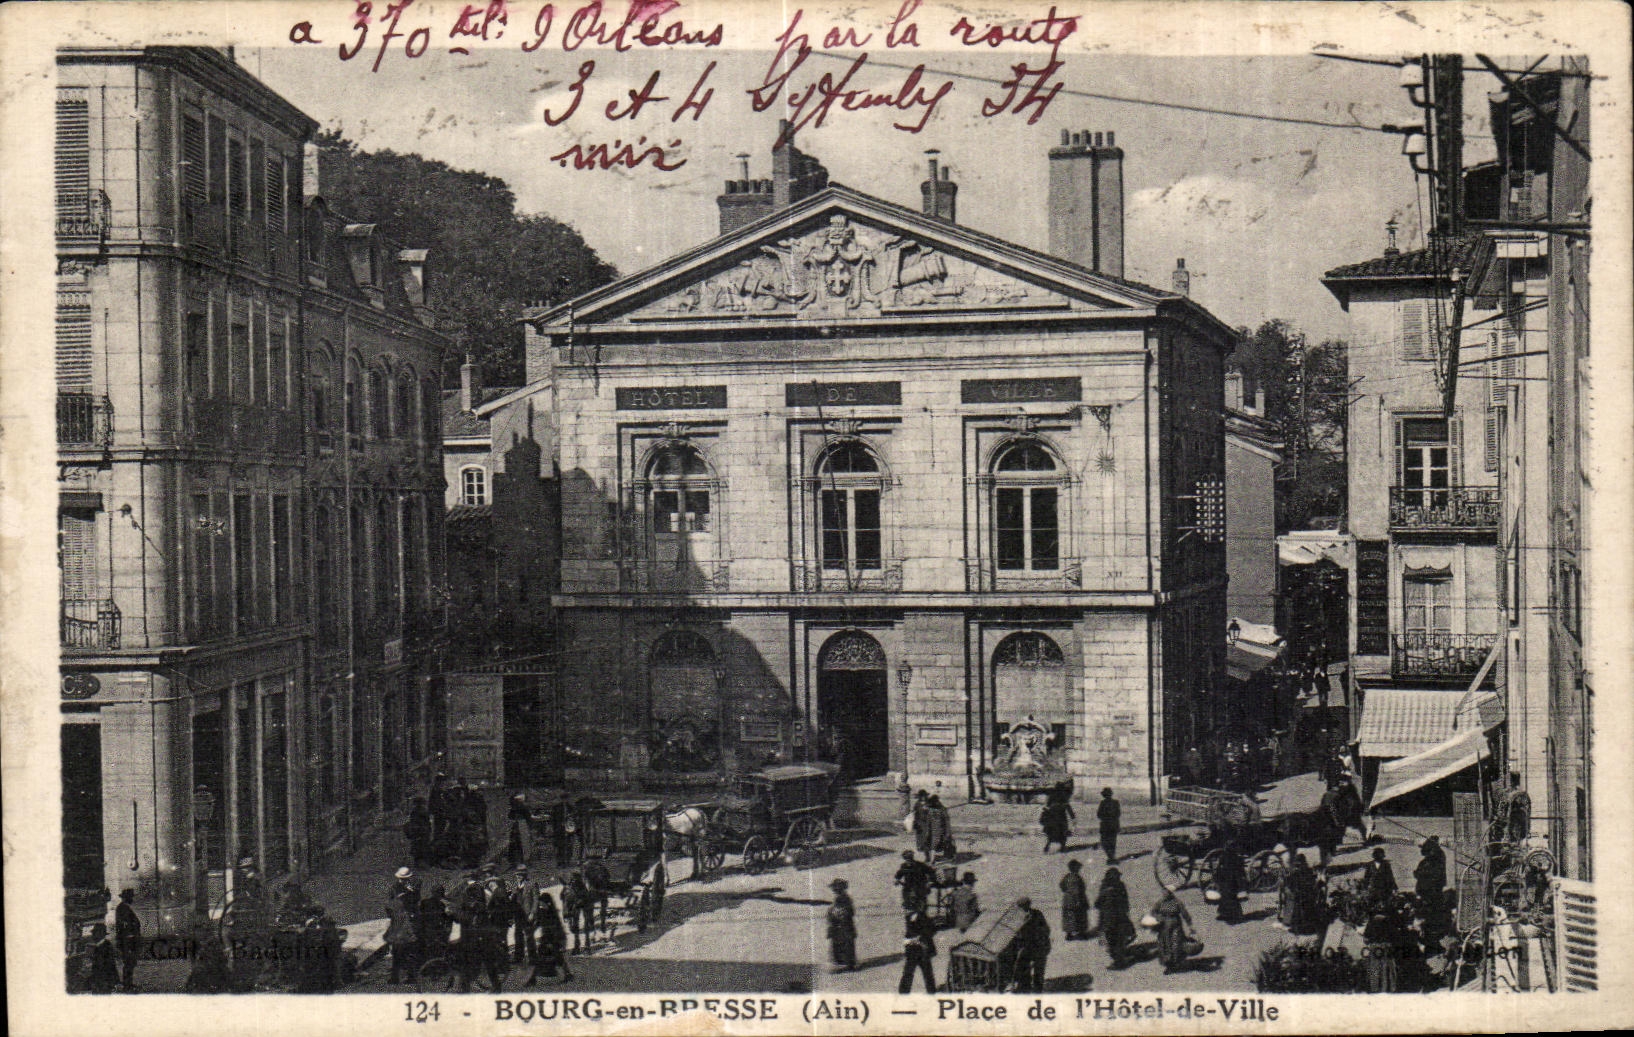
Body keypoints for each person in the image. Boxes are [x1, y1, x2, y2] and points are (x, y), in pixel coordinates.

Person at [527, 889, 574, 984]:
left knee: (557, 957)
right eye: (540, 904)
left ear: (548, 903)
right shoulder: (542, 912)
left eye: (542, 904)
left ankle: (567, 975)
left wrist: (556, 942)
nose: (541, 906)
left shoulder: (553, 915)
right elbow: (537, 923)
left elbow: (557, 930)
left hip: (556, 938)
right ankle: (533, 979)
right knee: (542, 957)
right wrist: (531, 930)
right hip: (547, 938)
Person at [385, 867, 422, 985]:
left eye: (405, 879)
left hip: (401, 925)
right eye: (402, 879)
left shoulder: (410, 889)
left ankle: (407, 976)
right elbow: (390, 906)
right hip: (403, 924)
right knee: (400, 951)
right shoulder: (398, 889)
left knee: (405, 951)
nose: (404, 881)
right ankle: (398, 977)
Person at [1093, 867, 1135, 969]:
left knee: (1112, 940)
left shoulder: (1104, 888)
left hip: (1108, 919)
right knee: (1119, 938)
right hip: (1119, 917)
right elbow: (1125, 902)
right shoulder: (1120, 886)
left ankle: (1118, 962)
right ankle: (1120, 956)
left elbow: (1097, 904)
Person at [1152, 885, 1194, 974]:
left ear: (1170, 893)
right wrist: (1158, 918)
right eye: (1163, 891)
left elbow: (1185, 914)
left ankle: (1176, 963)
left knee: (1175, 944)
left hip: (1176, 926)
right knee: (1165, 945)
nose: (1164, 893)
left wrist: (1190, 925)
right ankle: (1169, 964)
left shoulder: (1177, 902)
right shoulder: (1160, 902)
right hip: (1164, 927)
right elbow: (1153, 912)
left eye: (1166, 892)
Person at [1013, 897, 1051, 993]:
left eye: (1025, 906)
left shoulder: (1037, 914)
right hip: (1027, 946)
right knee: (1023, 965)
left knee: (1039, 967)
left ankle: (1038, 988)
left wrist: (1040, 938)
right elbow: (1016, 934)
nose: (1023, 908)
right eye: (1021, 907)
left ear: (1028, 905)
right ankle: (1025, 986)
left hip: (1039, 945)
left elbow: (1046, 929)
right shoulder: (1017, 918)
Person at [1414, 837, 1449, 940]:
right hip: (1428, 890)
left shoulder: (1436, 858)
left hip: (1432, 889)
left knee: (1433, 910)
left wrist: (1420, 874)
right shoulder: (1428, 860)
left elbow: (1434, 874)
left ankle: (1433, 932)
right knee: (1430, 910)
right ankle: (1430, 931)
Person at [1281, 853, 1323, 937]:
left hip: (1306, 896)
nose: (1298, 867)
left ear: (1303, 864)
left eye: (1299, 865)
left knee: (1293, 900)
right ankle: (1290, 922)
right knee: (1291, 899)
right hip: (1299, 895)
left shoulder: (1307, 872)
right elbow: (1289, 883)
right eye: (1296, 865)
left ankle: (1298, 924)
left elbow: (1311, 885)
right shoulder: (1296, 873)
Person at [897, 909, 937, 993]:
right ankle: (931, 992)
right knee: (926, 974)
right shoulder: (916, 917)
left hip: (916, 949)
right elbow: (931, 931)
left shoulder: (912, 917)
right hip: (921, 949)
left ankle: (903, 993)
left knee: (910, 973)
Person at [1362, 911, 1400, 992]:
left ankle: (1376, 989)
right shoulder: (1389, 922)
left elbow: (1366, 939)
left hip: (1378, 949)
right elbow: (1395, 937)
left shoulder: (1372, 923)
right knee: (1386, 970)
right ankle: (1386, 988)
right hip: (1384, 949)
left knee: (1376, 970)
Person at [418, 884, 453, 971]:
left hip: (426, 929)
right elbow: (445, 917)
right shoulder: (441, 904)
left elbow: (420, 916)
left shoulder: (424, 902)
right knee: (440, 948)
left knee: (429, 949)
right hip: (437, 930)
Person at [826, 878, 857, 972]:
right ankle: (847, 964)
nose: (833, 890)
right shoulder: (842, 898)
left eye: (835, 888)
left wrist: (833, 915)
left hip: (843, 926)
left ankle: (848, 965)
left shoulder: (843, 898)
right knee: (843, 944)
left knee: (844, 944)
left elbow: (845, 911)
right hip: (842, 925)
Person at [114, 888, 141, 990]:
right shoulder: (122, 909)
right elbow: (123, 925)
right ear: (126, 898)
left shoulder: (124, 908)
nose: (132, 899)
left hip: (129, 940)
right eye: (131, 897)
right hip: (127, 941)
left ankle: (128, 983)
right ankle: (127, 984)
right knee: (129, 962)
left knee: (130, 962)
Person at [561, 871, 594, 954]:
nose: (573, 882)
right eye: (572, 880)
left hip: (584, 904)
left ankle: (587, 946)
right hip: (575, 906)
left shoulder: (583, 889)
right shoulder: (567, 890)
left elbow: (587, 901)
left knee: (586, 925)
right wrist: (566, 914)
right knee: (575, 926)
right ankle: (577, 945)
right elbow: (565, 903)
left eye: (575, 880)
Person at [511, 866, 538, 965]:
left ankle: (533, 957)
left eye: (520, 875)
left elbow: (535, 900)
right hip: (518, 914)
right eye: (517, 875)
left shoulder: (531, 884)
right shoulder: (516, 886)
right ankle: (518, 956)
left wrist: (532, 913)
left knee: (529, 936)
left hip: (527, 914)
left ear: (524, 875)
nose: (518, 877)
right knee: (518, 935)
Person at [1059, 860, 1090, 940]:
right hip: (1077, 898)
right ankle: (1081, 933)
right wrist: (1078, 900)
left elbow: (1061, 886)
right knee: (1080, 915)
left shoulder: (1067, 876)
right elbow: (1078, 890)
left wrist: (1067, 892)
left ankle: (1069, 933)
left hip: (1068, 899)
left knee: (1069, 916)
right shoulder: (1076, 878)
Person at [86, 923, 120, 993]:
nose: (92, 936)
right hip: (101, 981)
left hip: (104, 982)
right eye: (93, 933)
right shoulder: (100, 946)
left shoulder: (105, 947)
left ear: (101, 934)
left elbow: (107, 966)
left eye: (94, 933)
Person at [404, 797, 434, 868]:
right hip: (423, 831)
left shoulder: (414, 812)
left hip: (417, 831)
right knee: (423, 846)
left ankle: (418, 862)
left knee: (417, 846)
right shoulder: (424, 812)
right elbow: (427, 823)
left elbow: (413, 822)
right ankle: (423, 862)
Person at [507, 794, 535, 867]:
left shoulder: (517, 809)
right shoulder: (521, 808)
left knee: (521, 843)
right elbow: (528, 818)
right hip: (519, 827)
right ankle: (521, 860)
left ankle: (520, 860)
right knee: (521, 843)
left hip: (520, 827)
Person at [925, 794, 955, 862]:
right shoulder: (941, 809)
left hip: (937, 830)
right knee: (941, 844)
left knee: (934, 845)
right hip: (939, 830)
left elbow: (928, 822)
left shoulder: (932, 810)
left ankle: (933, 859)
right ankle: (934, 859)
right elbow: (947, 821)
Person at [1096, 788, 1122, 864]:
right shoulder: (1114, 802)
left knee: (1106, 842)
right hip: (1112, 825)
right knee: (1110, 842)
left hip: (1106, 826)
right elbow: (1118, 814)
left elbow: (1099, 814)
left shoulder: (1104, 803)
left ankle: (1111, 858)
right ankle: (1111, 857)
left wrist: (1106, 817)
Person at [912, 790, 933, 861]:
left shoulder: (929, 804)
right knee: (921, 841)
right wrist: (915, 823)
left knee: (928, 840)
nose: (923, 797)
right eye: (922, 796)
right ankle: (926, 855)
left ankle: (929, 856)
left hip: (928, 824)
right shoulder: (917, 804)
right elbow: (914, 813)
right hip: (920, 824)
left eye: (925, 796)